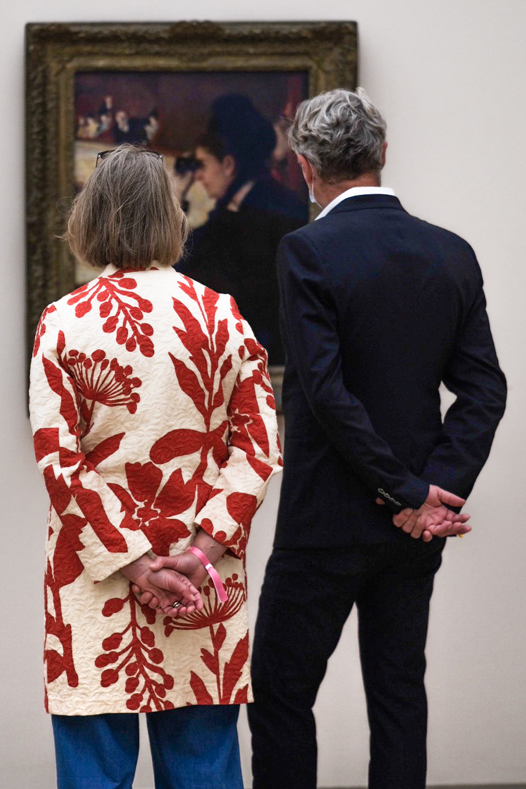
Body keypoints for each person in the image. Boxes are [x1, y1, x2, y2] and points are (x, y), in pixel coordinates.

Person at [248, 88, 507, 789]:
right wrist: (431, 491)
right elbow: (486, 388)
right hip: (410, 533)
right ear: (383, 154)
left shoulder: (306, 250)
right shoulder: (449, 252)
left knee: (279, 697)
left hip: (323, 522)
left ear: (304, 167)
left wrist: (415, 492)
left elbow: (326, 394)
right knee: (399, 697)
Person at [29, 144, 282, 789]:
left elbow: (59, 460)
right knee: (204, 769)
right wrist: (195, 556)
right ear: (171, 216)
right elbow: (259, 447)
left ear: (94, 217)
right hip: (204, 581)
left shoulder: (63, 323)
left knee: (93, 776)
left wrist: (135, 562)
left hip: (94, 584)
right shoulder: (221, 316)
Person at [178, 93, 308, 365]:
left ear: (228, 164)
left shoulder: (254, 217)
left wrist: (177, 199)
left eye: (202, 165)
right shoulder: (238, 209)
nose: (198, 175)